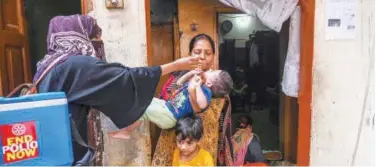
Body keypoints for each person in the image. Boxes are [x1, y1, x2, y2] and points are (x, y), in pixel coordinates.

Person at [33, 14, 200, 164]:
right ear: (81, 36)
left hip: (48, 146)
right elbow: (124, 78)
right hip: (68, 151)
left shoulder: (46, 65)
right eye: (95, 37)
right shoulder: (74, 65)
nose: (99, 43)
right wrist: (176, 65)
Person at [111, 69, 233, 139]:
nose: (210, 69)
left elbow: (202, 104)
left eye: (213, 71)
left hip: (171, 116)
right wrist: (190, 74)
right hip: (167, 106)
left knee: (144, 109)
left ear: (210, 83)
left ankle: (127, 131)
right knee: (145, 101)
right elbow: (178, 83)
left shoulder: (205, 92)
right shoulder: (198, 84)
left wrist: (197, 86)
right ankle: (125, 121)